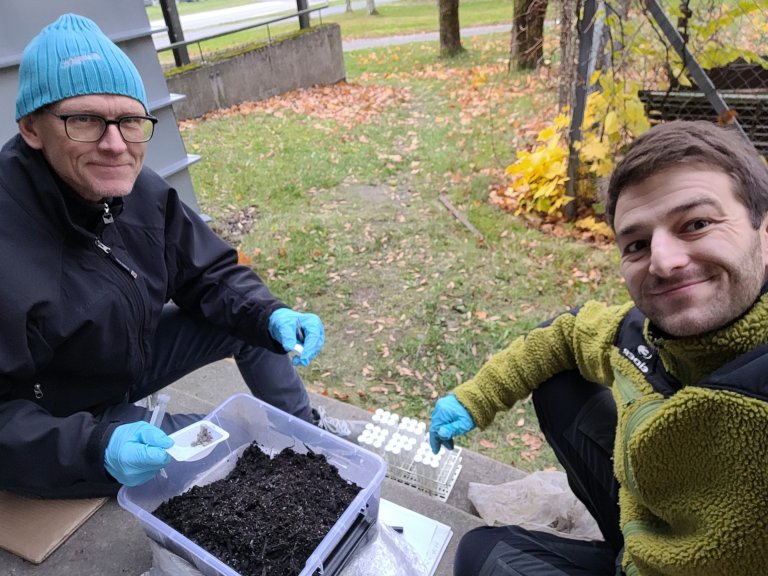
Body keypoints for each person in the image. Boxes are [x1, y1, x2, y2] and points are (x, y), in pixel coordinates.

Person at [0, 13, 348, 499]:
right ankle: (266, 442)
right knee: (236, 445)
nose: (115, 145)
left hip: (125, 359)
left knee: (251, 327)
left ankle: (307, 431)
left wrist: (270, 314)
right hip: (64, 421)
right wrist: (94, 445)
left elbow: (208, 273)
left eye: (129, 120)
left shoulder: (139, 191)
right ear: (32, 128)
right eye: (84, 121)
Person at [429, 119, 768, 575]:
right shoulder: (639, 333)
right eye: (637, 244)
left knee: (481, 559)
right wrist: (475, 397)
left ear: (763, 231)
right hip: (648, 524)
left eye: (697, 223)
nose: (664, 262)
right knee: (555, 386)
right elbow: (566, 333)